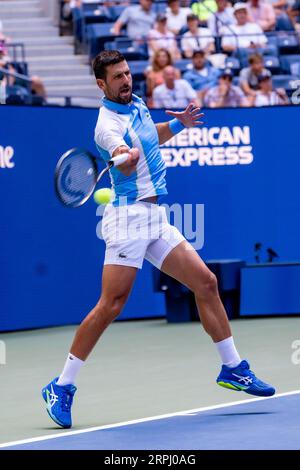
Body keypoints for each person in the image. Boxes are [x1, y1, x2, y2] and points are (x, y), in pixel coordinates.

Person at [42, 49, 275, 429]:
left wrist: (179, 125)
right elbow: (123, 152)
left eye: (127, 73)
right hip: (127, 219)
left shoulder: (137, 104)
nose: (125, 80)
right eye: (116, 77)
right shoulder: (106, 125)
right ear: (101, 84)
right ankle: (61, 385)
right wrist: (124, 155)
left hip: (155, 217)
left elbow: (151, 139)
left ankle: (233, 367)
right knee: (111, 305)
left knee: (206, 282)